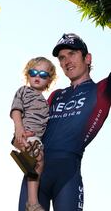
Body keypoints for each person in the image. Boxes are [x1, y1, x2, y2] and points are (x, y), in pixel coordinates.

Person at [18, 33, 111, 211]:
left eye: (72, 53)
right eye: (62, 57)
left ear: (87, 58)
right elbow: (33, 127)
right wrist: (21, 137)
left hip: (67, 175)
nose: (67, 60)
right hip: (35, 175)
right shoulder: (55, 96)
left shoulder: (102, 90)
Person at [10, 57, 57, 211]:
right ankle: (33, 203)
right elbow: (16, 110)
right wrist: (19, 128)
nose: (37, 77)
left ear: (49, 81)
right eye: (33, 73)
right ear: (27, 75)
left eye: (43, 75)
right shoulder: (23, 91)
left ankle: (32, 202)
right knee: (37, 158)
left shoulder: (45, 103)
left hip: (36, 138)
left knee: (38, 163)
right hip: (24, 134)